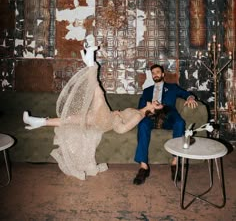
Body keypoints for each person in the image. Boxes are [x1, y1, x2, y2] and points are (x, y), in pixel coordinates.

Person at [23, 37, 158, 180]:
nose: (156, 101)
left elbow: (121, 129)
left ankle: (91, 63)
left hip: (107, 121)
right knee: (70, 119)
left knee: (98, 94)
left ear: (154, 111)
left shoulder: (139, 116)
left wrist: (117, 115)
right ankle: (38, 122)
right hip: (103, 119)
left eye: (157, 104)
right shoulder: (139, 109)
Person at [133, 64, 198, 185]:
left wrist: (190, 98)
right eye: (153, 73)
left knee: (179, 122)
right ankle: (143, 166)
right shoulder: (147, 90)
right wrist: (151, 107)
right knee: (142, 125)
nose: (155, 74)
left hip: (168, 114)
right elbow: (141, 107)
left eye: (158, 72)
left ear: (163, 74)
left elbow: (185, 94)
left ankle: (175, 161)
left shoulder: (172, 87)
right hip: (152, 115)